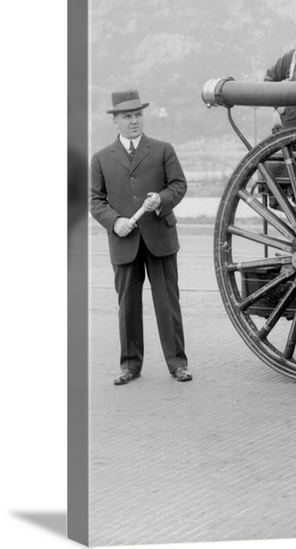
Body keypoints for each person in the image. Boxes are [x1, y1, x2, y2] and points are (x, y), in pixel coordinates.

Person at [90, 89, 191, 385]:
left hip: (160, 238)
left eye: (137, 115)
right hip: (124, 241)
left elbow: (179, 185)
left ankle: (178, 364)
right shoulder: (100, 159)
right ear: (115, 121)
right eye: (127, 116)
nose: (134, 121)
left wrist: (160, 199)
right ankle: (130, 366)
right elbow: (95, 201)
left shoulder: (163, 150)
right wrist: (115, 221)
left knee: (168, 304)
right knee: (128, 306)